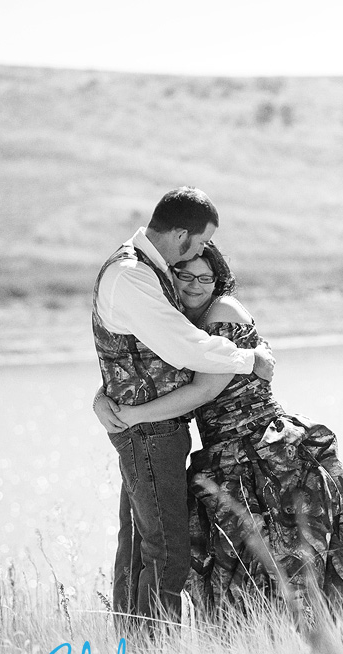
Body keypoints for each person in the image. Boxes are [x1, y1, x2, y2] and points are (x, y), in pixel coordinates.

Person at [95, 242, 343, 623]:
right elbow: (147, 370)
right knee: (241, 571)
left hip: (261, 452)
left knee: (281, 564)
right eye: (185, 275)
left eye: (206, 278)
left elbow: (204, 390)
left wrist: (131, 415)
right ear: (170, 276)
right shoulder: (177, 325)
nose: (196, 285)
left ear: (218, 280)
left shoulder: (222, 313)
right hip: (225, 454)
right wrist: (101, 397)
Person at [92, 187, 275, 627]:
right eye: (201, 240)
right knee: (165, 549)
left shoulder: (152, 273)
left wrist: (106, 396)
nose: (203, 250)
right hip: (148, 433)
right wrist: (252, 359)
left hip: (157, 429)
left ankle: (134, 648)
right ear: (180, 234)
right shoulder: (133, 275)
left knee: (141, 543)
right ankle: (152, 652)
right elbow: (182, 347)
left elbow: (134, 351)